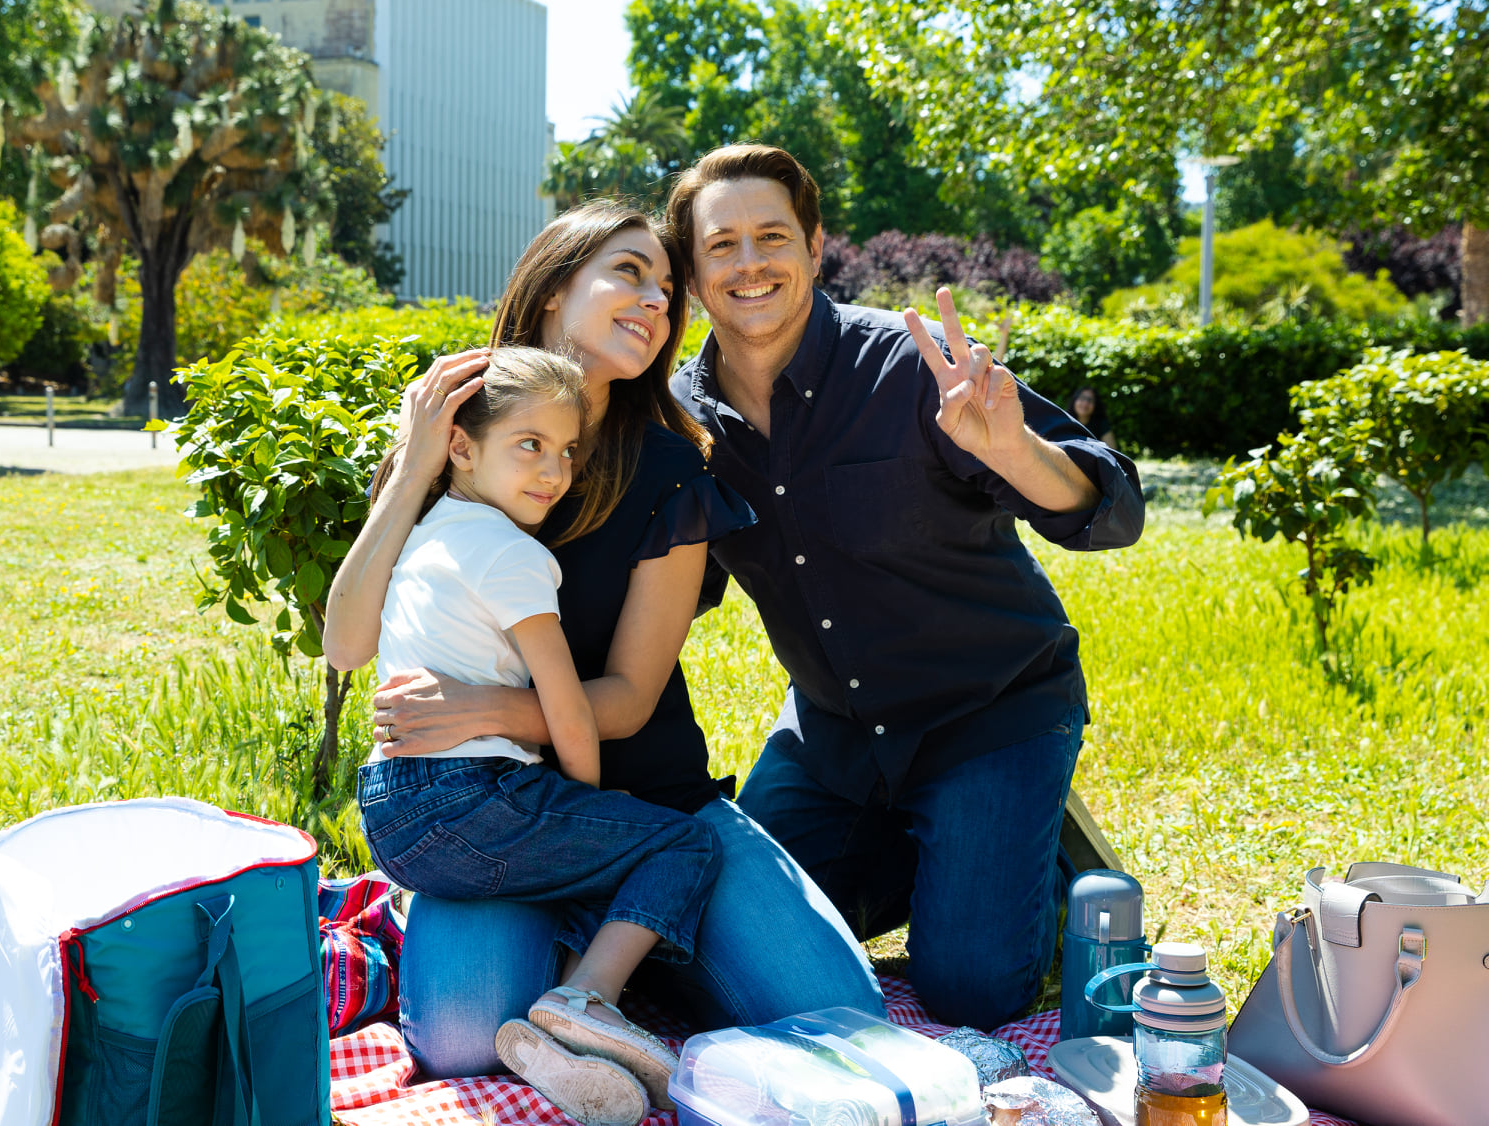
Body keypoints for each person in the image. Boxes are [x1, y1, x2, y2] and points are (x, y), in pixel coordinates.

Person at [323, 201, 883, 1084]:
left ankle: (632, 963)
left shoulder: (670, 470)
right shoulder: (455, 429)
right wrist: (411, 470)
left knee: (840, 1014)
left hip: (653, 804)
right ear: (551, 292)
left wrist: (495, 708)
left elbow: (628, 693)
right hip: (491, 811)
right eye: (627, 272)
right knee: (466, 1039)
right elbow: (348, 646)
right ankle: (623, 959)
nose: (656, 299)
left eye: (666, 287)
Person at [663, 145, 1146, 1031]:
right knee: (707, 953)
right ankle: (941, 855)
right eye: (721, 244)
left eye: (772, 236)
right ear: (692, 273)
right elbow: (666, 594)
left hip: (990, 713)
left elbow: (1112, 509)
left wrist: (1016, 453)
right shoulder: (682, 421)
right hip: (834, 736)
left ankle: (1044, 865)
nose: (749, 262)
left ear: (815, 248)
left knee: (971, 986)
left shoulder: (914, 363)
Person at [351, 346, 718, 1125]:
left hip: (391, 810)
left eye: (566, 451)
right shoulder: (515, 554)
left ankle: (555, 1048)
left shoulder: (426, 537)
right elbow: (568, 708)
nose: (554, 470)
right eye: (530, 445)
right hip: (472, 797)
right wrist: (588, 801)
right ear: (460, 446)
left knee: (566, 868)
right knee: (679, 846)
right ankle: (587, 1001)